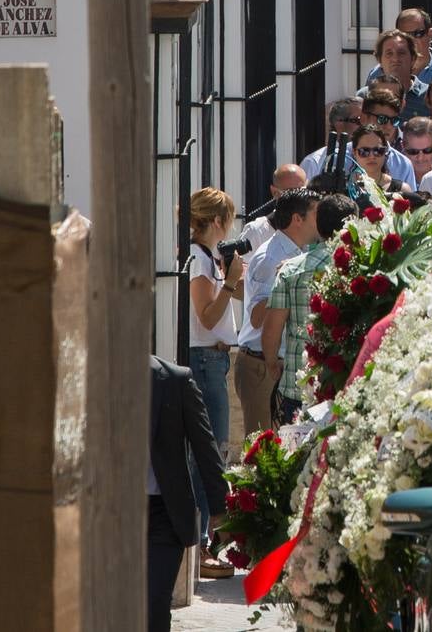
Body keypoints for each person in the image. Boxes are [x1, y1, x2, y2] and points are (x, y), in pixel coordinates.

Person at [261, 193, 359, 423]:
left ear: (319, 224)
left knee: (296, 456)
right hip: (348, 383)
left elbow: (272, 330)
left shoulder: (290, 270)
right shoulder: (365, 265)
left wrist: (272, 363)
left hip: (299, 385)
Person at [148, 355, 227, 632]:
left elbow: (205, 446)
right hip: (111, 515)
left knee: (153, 607)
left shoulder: (175, 380)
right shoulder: (93, 380)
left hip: (163, 515)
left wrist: (220, 510)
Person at [185, 187, 240, 579]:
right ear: (219, 221)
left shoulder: (206, 258)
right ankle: (202, 544)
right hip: (205, 360)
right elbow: (205, 316)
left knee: (212, 450)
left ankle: (204, 540)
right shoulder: (199, 262)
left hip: (212, 357)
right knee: (210, 451)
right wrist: (232, 283)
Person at [237, 187, 322, 437]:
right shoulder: (269, 258)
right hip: (262, 366)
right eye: (316, 213)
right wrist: (282, 282)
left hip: (280, 366)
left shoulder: (301, 251)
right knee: (262, 451)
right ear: (298, 219)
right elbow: (256, 318)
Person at [366, 8, 432, 90]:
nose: (412, 40)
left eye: (418, 34)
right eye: (405, 35)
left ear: (430, 34)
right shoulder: (378, 73)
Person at [242, 163, 307, 250]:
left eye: (303, 191)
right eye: (291, 192)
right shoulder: (256, 231)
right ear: (274, 192)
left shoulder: (313, 228)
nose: (299, 197)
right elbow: (240, 263)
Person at [352, 123, 408, 195]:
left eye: (378, 151)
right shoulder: (343, 187)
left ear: (385, 151)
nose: (371, 156)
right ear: (354, 153)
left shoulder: (402, 190)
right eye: (364, 151)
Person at [399, 117, 432, 183]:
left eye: (427, 150)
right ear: (402, 147)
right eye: (413, 152)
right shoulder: (391, 176)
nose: (420, 158)